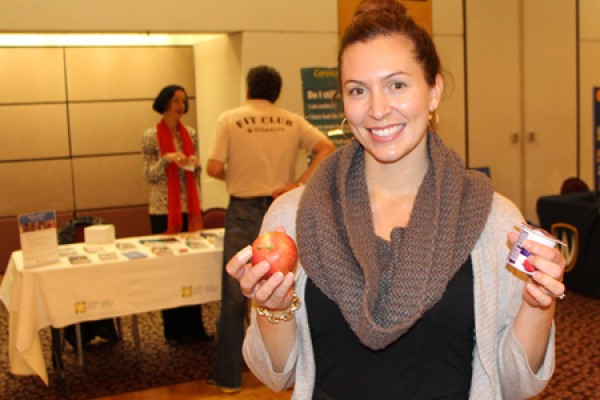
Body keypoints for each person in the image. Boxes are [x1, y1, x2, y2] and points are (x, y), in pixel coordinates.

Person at [224, 1, 567, 399]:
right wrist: (274, 307)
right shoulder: (296, 216)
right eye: (358, 90)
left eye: (397, 85)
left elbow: (514, 382)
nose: (378, 110)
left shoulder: (491, 219)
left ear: (434, 90)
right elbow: (278, 374)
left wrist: (538, 305)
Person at [206, 65, 336, 392]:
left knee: (237, 294)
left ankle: (228, 377)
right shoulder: (291, 119)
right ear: (277, 93)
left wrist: (236, 176)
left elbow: (213, 167)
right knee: (284, 290)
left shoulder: (230, 119)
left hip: (244, 208)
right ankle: (282, 367)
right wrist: (299, 184)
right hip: (282, 208)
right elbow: (326, 148)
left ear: (248, 90)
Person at [142, 84, 212, 344]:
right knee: (170, 270)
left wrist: (194, 164)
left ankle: (195, 326)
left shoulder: (190, 134)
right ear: (164, 103)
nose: (180, 106)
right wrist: (166, 160)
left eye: (183, 101)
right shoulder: (151, 136)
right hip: (162, 208)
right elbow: (148, 175)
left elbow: (198, 170)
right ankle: (172, 330)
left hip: (189, 207)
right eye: (175, 100)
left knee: (192, 268)